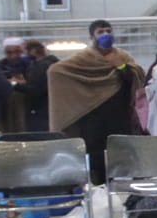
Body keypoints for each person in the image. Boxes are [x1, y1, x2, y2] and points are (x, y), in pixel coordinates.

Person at [48, 19, 140, 184]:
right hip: (93, 116)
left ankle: (123, 192)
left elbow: (133, 78)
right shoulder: (84, 58)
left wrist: (120, 66)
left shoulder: (123, 56)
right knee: (96, 157)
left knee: (121, 154)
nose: (106, 34)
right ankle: (99, 189)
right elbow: (55, 71)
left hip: (119, 115)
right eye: (101, 32)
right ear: (92, 37)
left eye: (108, 31)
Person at [21, 39, 56, 133]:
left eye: (24, 51)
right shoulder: (53, 63)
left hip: (40, 109)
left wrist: (17, 85)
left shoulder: (41, 66)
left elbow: (35, 89)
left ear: (33, 51)